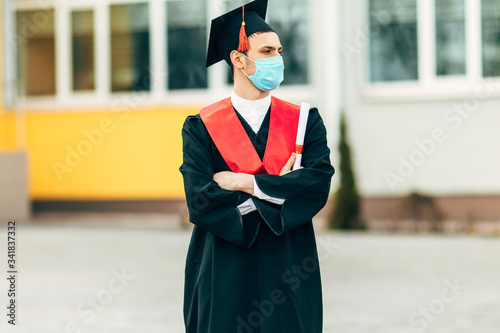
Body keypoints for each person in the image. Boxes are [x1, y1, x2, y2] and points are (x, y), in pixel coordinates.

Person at [179, 0, 334, 332]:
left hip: (289, 265)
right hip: (224, 265)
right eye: (266, 51)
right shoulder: (200, 127)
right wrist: (279, 189)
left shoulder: (305, 122)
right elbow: (200, 200)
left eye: (279, 50)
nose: (277, 59)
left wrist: (246, 184)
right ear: (238, 58)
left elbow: (317, 185)